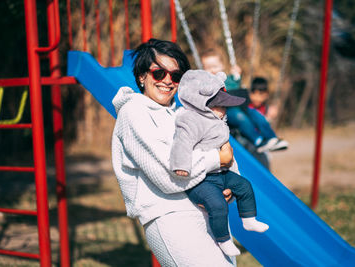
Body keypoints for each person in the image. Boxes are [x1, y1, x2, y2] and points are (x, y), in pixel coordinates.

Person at [111, 39, 236, 266]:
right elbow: (169, 176)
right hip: (171, 218)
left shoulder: (181, 115)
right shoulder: (133, 113)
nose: (168, 81)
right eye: (159, 73)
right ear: (142, 76)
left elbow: (222, 151)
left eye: (176, 76)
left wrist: (228, 185)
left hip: (207, 212)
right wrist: (217, 159)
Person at [170, 70, 269, 256]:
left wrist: (234, 172)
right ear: (204, 105)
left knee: (245, 186)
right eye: (220, 106)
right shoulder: (189, 120)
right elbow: (181, 145)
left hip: (221, 173)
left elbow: (228, 153)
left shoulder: (219, 121)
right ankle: (223, 239)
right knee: (217, 204)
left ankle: (248, 219)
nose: (225, 111)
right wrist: (181, 166)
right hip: (202, 180)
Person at [201, 49, 288, 152]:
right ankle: (258, 141)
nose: (212, 70)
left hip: (239, 107)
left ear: (222, 66)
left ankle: (271, 138)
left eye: (215, 67)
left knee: (255, 114)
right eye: (208, 68)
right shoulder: (206, 83)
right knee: (240, 117)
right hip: (226, 112)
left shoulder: (228, 79)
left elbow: (235, 84)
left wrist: (237, 75)